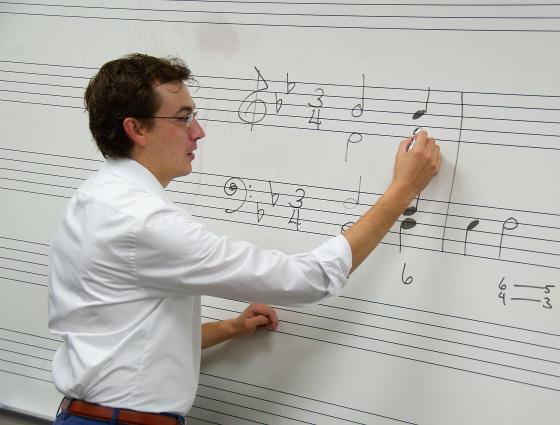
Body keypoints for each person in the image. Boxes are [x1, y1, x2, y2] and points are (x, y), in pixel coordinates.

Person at [48, 53, 441, 425]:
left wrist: (230, 329)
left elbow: (122, 337)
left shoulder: (91, 199)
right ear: (136, 129)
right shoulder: (144, 222)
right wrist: (401, 192)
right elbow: (309, 279)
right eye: (184, 118)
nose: (198, 132)